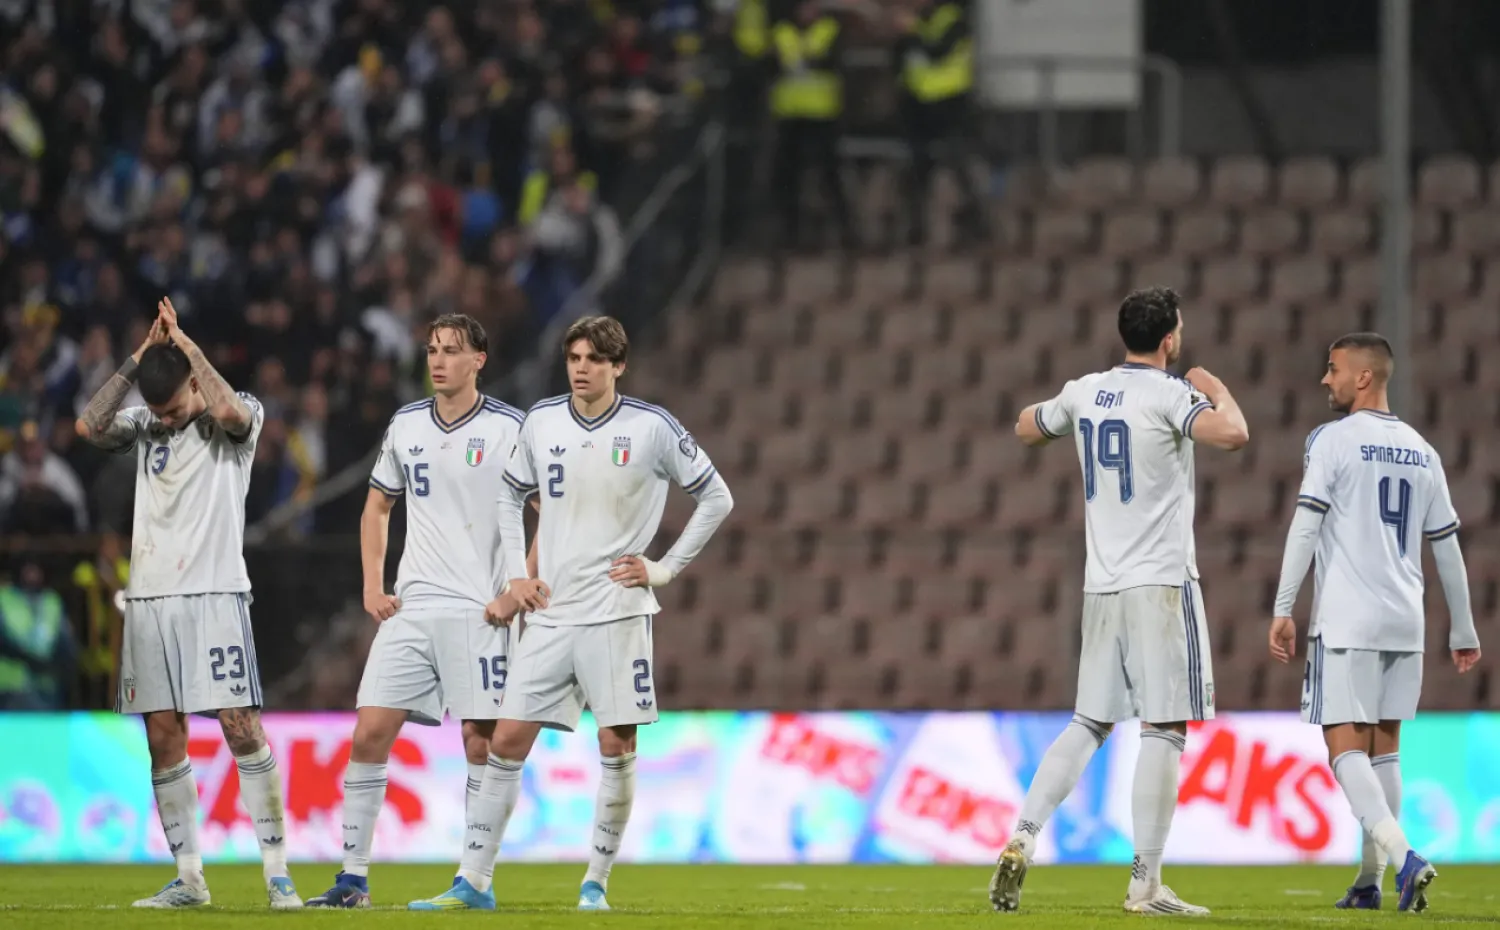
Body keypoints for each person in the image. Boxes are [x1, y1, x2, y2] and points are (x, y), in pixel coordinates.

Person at [409, 315, 734, 912]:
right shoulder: (542, 421)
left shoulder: (651, 427)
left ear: (618, 366)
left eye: (592, 360)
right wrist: (516, 574)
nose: (580, 369)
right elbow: (510, 494)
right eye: (573, 358)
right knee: (505, 740)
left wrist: (663, 568)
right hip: (552, 613)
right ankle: (473, 882)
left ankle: (596, 883)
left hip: (615, 612)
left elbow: (717, 496)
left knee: (616, 743)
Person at [992, 287, 1249, 915]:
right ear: (1170, 339)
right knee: (1164, 729)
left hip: (1100, 585)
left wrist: (1055, 414)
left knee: (1088, 724)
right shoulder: (1172, 394)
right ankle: (1146, 883)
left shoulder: (1085, 390)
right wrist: (1214, 385)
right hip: (1160, 583)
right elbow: (1235, 433)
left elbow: (1026, 427)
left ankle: (1021, 836)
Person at [74, 298, 301, 909]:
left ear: (194, 383)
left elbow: (225, 409)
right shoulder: (148, 424)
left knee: (239, 724)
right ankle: (190, 878)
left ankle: (278, 874)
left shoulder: (236, 417)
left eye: (173, 407)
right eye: (157, 411)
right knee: (163, 736)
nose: (166, 421)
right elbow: (88, 427)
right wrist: (138, 358)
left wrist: (189, 347)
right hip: (149, 598)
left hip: (215, 594)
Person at [305, 314, 536, 908]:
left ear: (478, 360)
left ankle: (474, 882)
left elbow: (549, 513)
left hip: (479, 611)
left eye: (451, 351)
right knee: (369, 733)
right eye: (432, 350)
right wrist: (371, 585)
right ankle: (352, 879)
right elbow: (377, 506)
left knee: (480, 742)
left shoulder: (511, 428)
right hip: (411, 607)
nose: (437, 361)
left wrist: (517, 588)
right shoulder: (407, 425)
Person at [1268, 332, 1479, 914]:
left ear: (1364, 377)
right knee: (1385, 751)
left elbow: (1305, 526)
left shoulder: (1332, 442)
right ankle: (1369, 882)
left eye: (1333, 369)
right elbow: (1447, 547)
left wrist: (1284, 606)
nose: (1324, 380)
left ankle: (1405, 857)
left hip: (1348, 618)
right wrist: (1462, 627)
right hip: (1405, 620)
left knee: (1343, 749)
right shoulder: (1423, 449)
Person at [892, 0, 989, 247]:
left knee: (959, 167)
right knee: (918, 171)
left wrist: (911, 33)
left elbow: (937, 53)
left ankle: (979, 225)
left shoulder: (953, 20)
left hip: (950, 106)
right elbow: (899, 62)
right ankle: (917, 229)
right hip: (919, 109)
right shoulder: (915, 26)